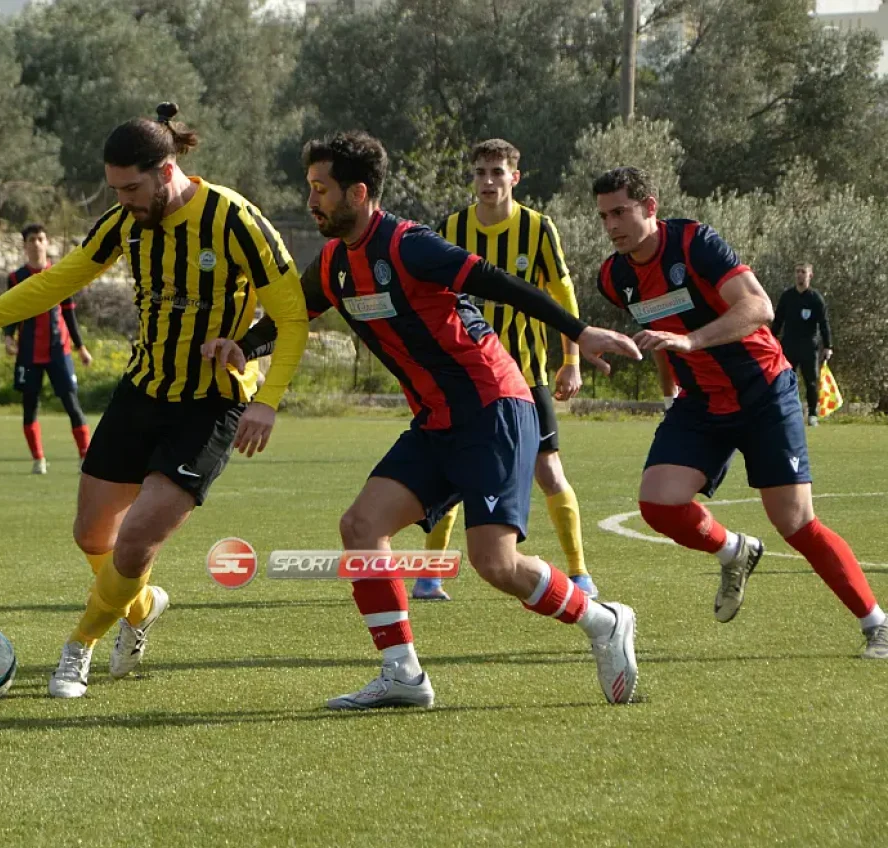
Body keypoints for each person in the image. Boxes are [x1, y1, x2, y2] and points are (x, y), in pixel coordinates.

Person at [0, 103, 309, 697]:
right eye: (114, 189)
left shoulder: (234, 219)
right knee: (92, 535)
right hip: (142, 391)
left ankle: (79, 647)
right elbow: (54, 281)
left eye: (132, 187)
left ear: (166, 169)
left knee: (139, 535)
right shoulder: (125, 222)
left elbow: (294, 317)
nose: (123, 200)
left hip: (211, 403)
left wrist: (265, 398)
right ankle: (140, 606)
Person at [231, 132, 642, 709]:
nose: (312, 201)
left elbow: (500, 283)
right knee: (360, 527)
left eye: (321, 190)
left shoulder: (409, 245)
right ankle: (402, 673)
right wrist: (241, 349)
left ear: (359, 192)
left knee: (494, 564)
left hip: (494, 407)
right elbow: (291, 317)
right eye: (310, 189)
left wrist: (577, 333)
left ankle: (603, 621)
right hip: (437, 422)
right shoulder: (331, 264)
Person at [593, 166, 886, 659]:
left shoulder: (695, 244)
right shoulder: (613, 277)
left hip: (764, 392)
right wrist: (669, 389)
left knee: (795, 523)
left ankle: (877, 623)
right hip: (701, 402)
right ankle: (734, 551)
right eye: (604, 216)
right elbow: (658, 335)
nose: (613, 224)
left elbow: (759, 307)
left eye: (621, 211)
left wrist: (694, 339)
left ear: (650, 206)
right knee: (657, 503)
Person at [414, 138, 596, 602]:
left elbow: (562, 294)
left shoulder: (537, 228)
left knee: (548, 468)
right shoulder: (451, 227)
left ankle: (578, 573)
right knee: (453, 467)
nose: (488, 181)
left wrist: (571, 360)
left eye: (497, 172)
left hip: (527, 374)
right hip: (463, 374)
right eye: (480, 172)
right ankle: (430, 575)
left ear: (515, 177)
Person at [1, 223, 94, 474]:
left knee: (71, 403)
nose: (37, 244)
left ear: (47, 242)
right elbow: (9, 311)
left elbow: (69, 314)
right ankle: (38, 459)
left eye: (41, 239)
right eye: (32, 239)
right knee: (29, 406)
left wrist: (81, 347)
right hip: (29, 353)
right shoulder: (16, 278)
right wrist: (8, 337)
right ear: (25, 245)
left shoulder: (59, 274)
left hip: (58, 351)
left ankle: (85, 457)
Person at [771, 263, 832, 426]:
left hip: (808, 346)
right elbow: (778, 320)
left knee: (811, 380)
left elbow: (824, 323)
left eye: (803, 272)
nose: (799, 275)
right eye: (797, 271)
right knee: (785, 379)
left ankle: (812, 414)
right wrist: (770, 339)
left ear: (810, 275)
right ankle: (786, 412)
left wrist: (828, 346)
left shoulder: (815, 298)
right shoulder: (787, 296)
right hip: (788, 344)